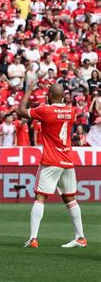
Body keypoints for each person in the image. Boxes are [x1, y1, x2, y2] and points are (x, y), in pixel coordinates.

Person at [17, 82, 87, 249]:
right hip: (67, 160)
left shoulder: (45, 110)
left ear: (48, 96)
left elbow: (20, 111)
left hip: (50, 160)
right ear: (63, 96)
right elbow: (59, 102)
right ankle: (80, 237)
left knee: (40, 198)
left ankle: (33, 238)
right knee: (70, 199)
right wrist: (54, 93)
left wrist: (29, 90)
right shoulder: (71, 112)